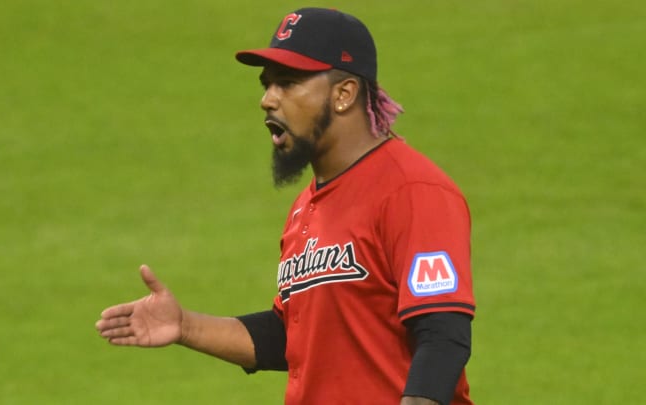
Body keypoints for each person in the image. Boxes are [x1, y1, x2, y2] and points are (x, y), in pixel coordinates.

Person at [96, 7, 476, 405]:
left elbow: (443, 335)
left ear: (344, 94)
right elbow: (294, 335)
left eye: (288, 83)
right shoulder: (306, 206)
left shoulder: (412, 190)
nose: (267, 100)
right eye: (267, 85)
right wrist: (185, 326)